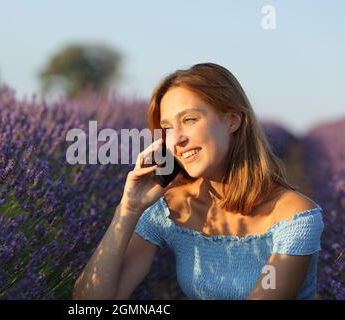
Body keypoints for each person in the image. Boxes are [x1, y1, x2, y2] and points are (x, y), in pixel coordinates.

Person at [72, 63, 324, 300]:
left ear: (232, 120)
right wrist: (128, 209)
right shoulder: (172, 209)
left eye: (189, 120)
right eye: (167, 128)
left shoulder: (294, 216)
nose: (177, 139)